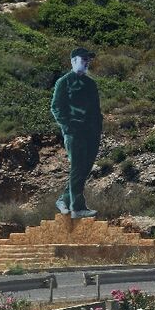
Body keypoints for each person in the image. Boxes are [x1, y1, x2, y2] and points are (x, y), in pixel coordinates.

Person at [50, 47, 102, 219]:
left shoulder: (91, 84)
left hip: (91, 134)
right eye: (83, 59)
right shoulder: (63, 82)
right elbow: (56, 107)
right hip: (74, 132)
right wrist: (68, 127)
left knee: (84, 169)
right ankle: (77, 208)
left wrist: (98, 129)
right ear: (73, 61)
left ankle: (63, 200)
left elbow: (96, 110)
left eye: (88, 60)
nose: (87, 62)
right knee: (78, 167)